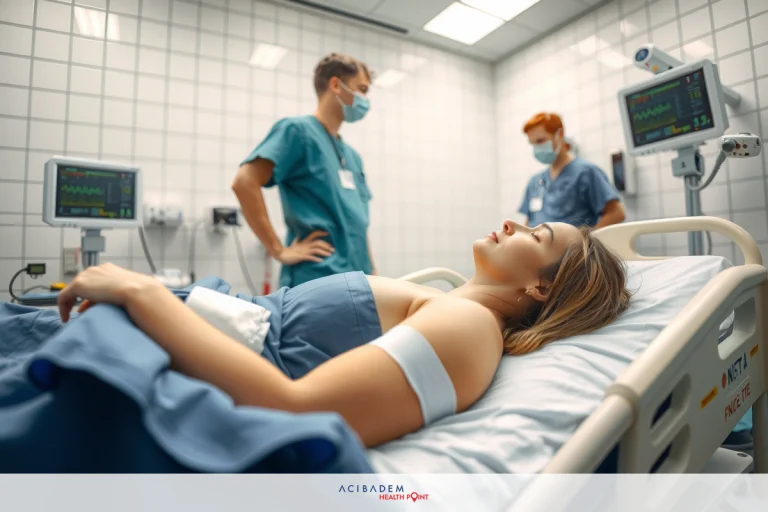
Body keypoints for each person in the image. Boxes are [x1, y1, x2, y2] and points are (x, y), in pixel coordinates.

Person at [57, 220, 631, 448]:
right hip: (163, 329)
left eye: (536, 233)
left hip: (156, 349)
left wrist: (145, 295)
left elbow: (297, 407)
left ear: (540, 289)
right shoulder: (452, 304)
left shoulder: (469, 327)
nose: (511, 223)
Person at [232, 53, 376, 288]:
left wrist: (372, 271)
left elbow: (359, 220)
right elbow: (244, 182)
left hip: (360, 277)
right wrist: (278, 250)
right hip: (318, 278)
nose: (365, 100)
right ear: (336, 85)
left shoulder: (352, 156)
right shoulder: (297, 132)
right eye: (361, 89)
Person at [519, 112, 626, 229]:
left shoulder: (586, 172)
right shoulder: (535, 181)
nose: (537, 148)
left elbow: (616, 213)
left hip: (571, 247)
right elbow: (528, 223)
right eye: (532, 144)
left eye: (540, 141)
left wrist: (585, 242)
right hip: (537, 247)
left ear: (559, 134)